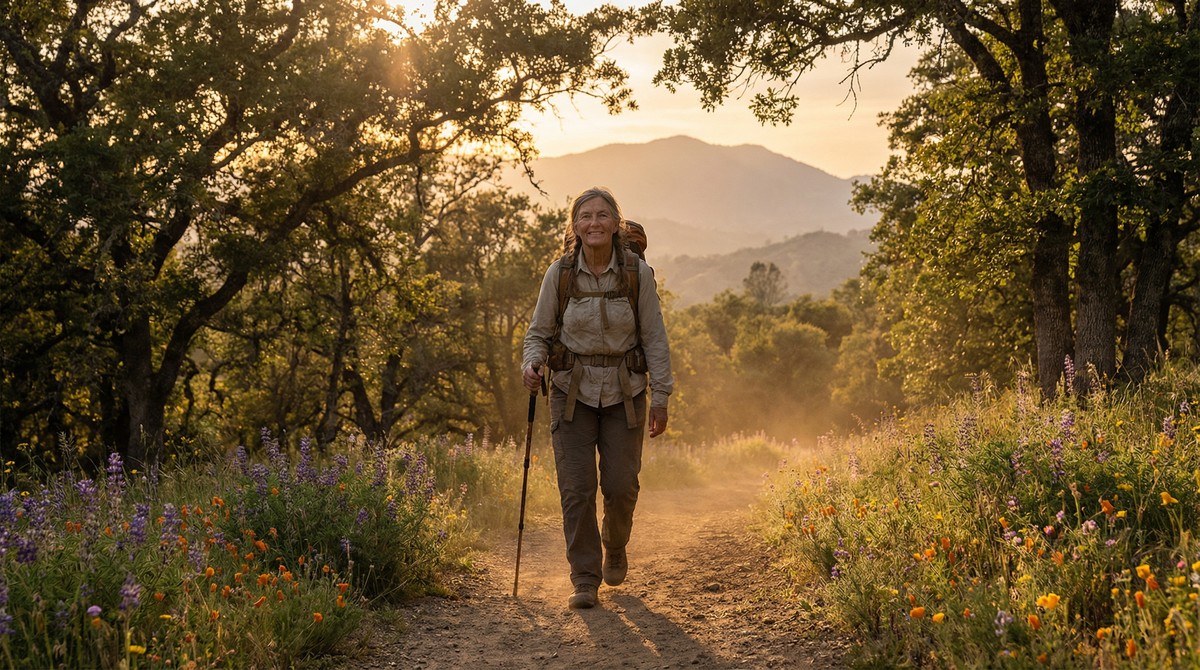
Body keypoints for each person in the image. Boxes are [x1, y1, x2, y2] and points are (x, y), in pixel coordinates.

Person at [523, 187, 673, 609]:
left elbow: (655, 338)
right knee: (576, 488)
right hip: (571, 392)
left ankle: (616, 542)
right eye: (585, 216)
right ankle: (584, 578)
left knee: (621, 486)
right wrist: (531, 364)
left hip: (626, 393)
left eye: (603, 215)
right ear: (575, 226)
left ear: (616, 224)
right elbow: (538, 332)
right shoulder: (560, 273)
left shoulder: (636, 275)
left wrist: (660, 397)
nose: (594, 223)